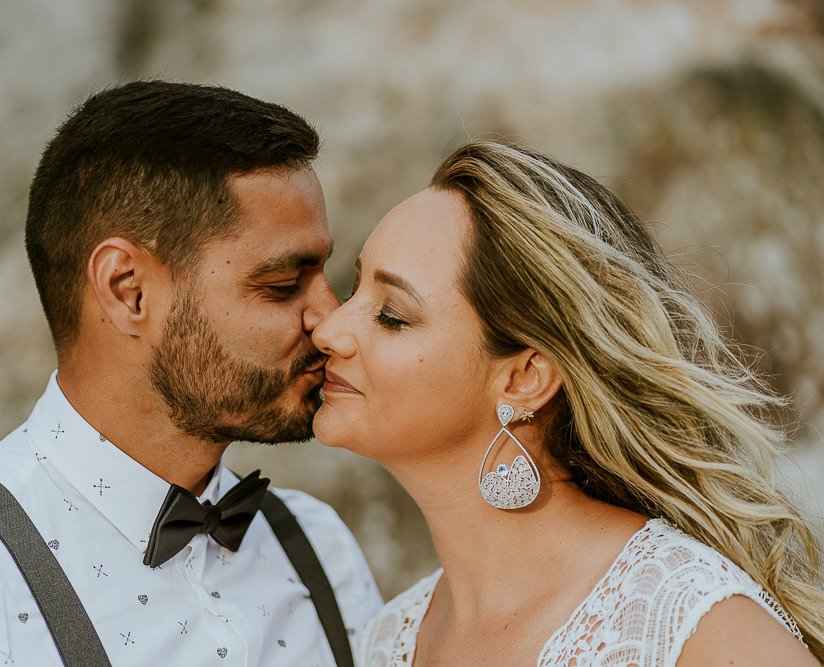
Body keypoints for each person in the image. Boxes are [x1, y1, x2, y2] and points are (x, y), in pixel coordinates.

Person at [0, 80, 381, 666]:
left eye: (323, 275)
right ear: (127, 290)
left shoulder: (321, 548)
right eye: (281, 285)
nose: (330, 318)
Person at [312, 139, 824, 665]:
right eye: (353, 291)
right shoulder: (386, 641)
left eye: (392, 315)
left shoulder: (688, 619)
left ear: (525, 378)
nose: (329, 329)